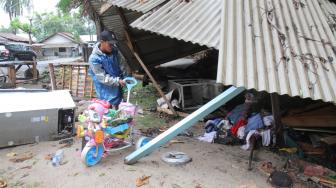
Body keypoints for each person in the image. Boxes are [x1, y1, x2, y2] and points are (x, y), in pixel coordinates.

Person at [89, 30, 128, 109]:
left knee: (118, 113)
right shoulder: (94, 58)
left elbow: (122, 65)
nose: (112, 46)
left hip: (117, 87)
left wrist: (125, 77)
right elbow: (102, 78)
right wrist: (117, 81)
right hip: (104, 91)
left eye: (113, 43)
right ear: (102, 42)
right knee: (106, 113)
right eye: (109, 44)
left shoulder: (115, 51)